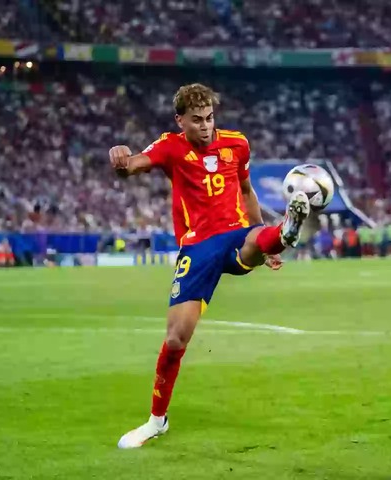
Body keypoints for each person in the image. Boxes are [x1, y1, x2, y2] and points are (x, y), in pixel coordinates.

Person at [109, 83, 311, 448]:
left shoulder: (237, 144)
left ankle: (285, 231)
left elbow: (247, 193)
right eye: (197, 120)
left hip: (237, 233)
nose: (205, 126)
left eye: (210, 118)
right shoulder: (171, 146)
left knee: (254, 241)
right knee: (175, 339)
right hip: (197, 248)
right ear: (181, 121)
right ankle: (157, 421)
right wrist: (122, 160)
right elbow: (136, 165)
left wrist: (267, 240)